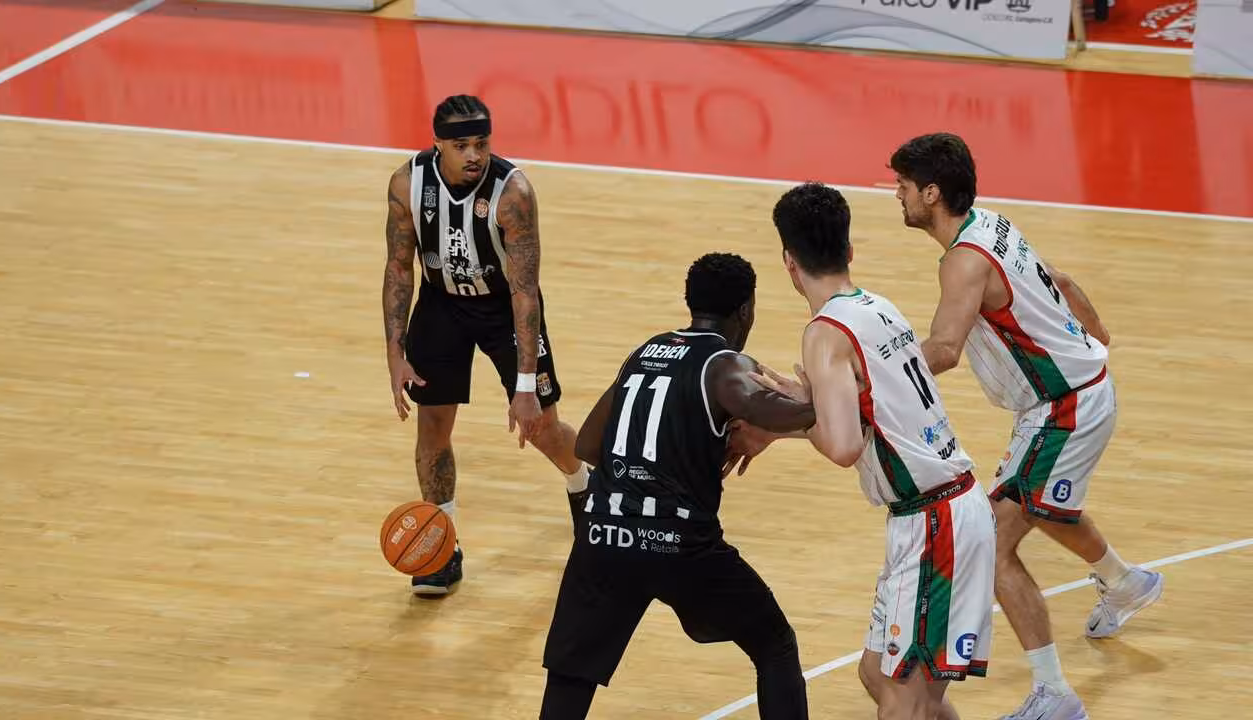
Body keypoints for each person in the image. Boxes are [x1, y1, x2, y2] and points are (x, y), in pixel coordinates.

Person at [889, 131, 1164, 719]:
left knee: (990, 544)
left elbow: (941, 350)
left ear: (931, 193)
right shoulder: (993, 224)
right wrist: (1098, 336)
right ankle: (1124, 582)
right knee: (1042, 506)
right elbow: (1060, 281)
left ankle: (1054, 695)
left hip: (1064, 409)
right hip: (1075, 395)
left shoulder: (965, 260)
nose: (898, 195)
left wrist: (872, 368)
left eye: (904, 186)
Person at [729, 182, 996, 720]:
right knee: (879, 676)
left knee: (902, 697)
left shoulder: (825, 333)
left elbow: (845, 445)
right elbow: (876, 406)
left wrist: (781, 427)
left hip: (933, 523)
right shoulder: (879, 308)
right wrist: (812, 405)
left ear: (787, 260)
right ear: (849, 250)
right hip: (946, 512)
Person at [538, 253, 813, 720]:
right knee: (773, 645)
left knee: (571, 673)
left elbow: (586, 443)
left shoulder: (644, 352)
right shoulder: (725, 364)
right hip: (679, 542)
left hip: (604, 533)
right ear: (745, 310)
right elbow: (771, 409)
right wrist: (825, 396)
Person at [383, 94, 588, 596]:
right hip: (440, 304)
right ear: (437, 145)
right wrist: (395, 352)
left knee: (541, 424)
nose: (473, 154)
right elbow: (397, 266)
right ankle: (441, 546)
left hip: (503, 308)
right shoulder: (408, 183)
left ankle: (585, 482)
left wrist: (523, 385)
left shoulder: (512, 192)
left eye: (481, 143)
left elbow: (524, 292)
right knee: (433, 424)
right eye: (461, 145)